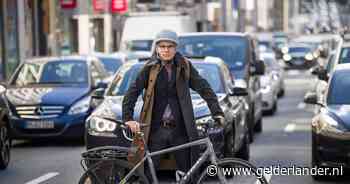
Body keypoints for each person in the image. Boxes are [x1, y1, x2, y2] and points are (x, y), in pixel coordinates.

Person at [122, 30, 224, 182]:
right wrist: (128, 118)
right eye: (162, 46)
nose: (166, 50)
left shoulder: (185, 66)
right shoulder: (150, 68)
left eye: (170, 46)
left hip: (180, 130)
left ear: (176, 48)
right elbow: (132, 92)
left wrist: (217, 112)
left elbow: (205, 89)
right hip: (156, 130)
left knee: (188, 174)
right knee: (147, 176)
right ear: (156, 48)